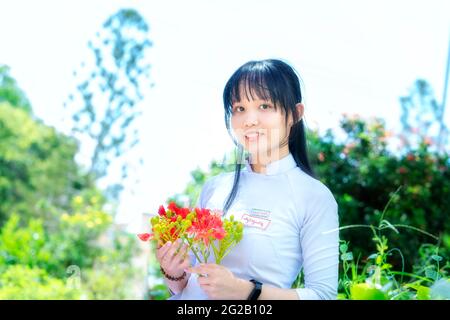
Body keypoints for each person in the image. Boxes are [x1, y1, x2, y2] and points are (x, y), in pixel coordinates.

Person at [155, 59, 339, 300]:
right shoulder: (215, 187)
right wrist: (174, 273)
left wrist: (248, 292)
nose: (249, 120)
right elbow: (187, 284)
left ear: (295, 114)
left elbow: (323, 295)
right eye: (239, 108)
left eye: (264, 105)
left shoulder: (314, 196)